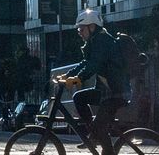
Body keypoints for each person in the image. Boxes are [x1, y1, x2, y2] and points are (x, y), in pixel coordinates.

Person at [55, 8, 129, 152]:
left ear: (92, 27)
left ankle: (96, 135)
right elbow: (85, 63)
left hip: (117, 93)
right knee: (79, 98)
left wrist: (79, 78)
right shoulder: (94, 41)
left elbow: (94, 64)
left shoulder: (103, 41)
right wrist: (67, 76)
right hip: (106, 92)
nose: (79, 33)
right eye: (79, 30)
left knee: (100, 128)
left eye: (82, 29)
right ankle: (94, 134)